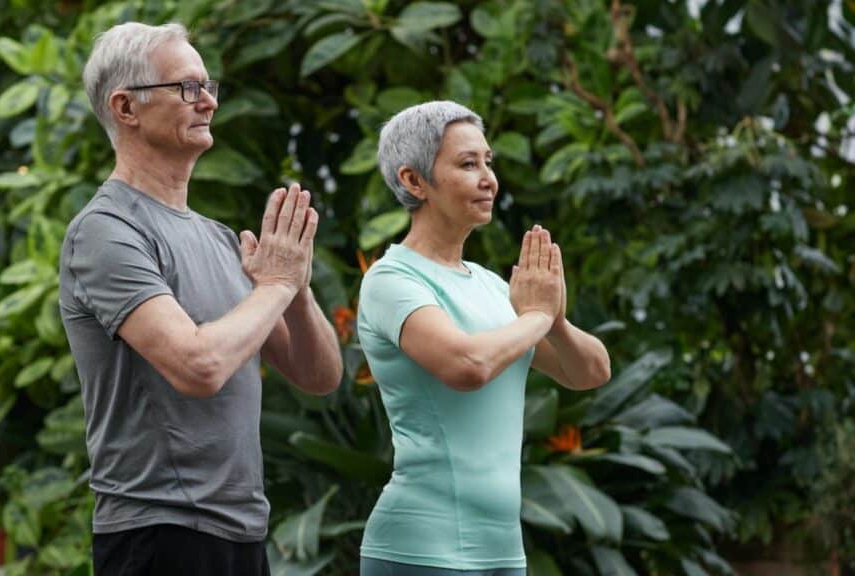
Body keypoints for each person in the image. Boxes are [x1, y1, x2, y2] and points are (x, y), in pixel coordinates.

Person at [59, 22, 343, 576]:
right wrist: (277, 286)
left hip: (240, 530)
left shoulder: (217, 237)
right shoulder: (105, 231)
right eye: (187, 87)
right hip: (158, 534)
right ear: (126, 108)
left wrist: (297, 292)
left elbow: (320, 377)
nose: (209, 100)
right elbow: (198, 365)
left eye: (209, 85)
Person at [356, 101, 612, 576]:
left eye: (488, 162)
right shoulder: (392, 280)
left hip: (502, 554)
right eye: (467, 164)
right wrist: (536, 315)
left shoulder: (492, 285)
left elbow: (591, 372)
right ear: (414, 181)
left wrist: (553, 319)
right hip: (420, 550)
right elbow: (467, 367)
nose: (488, 178)